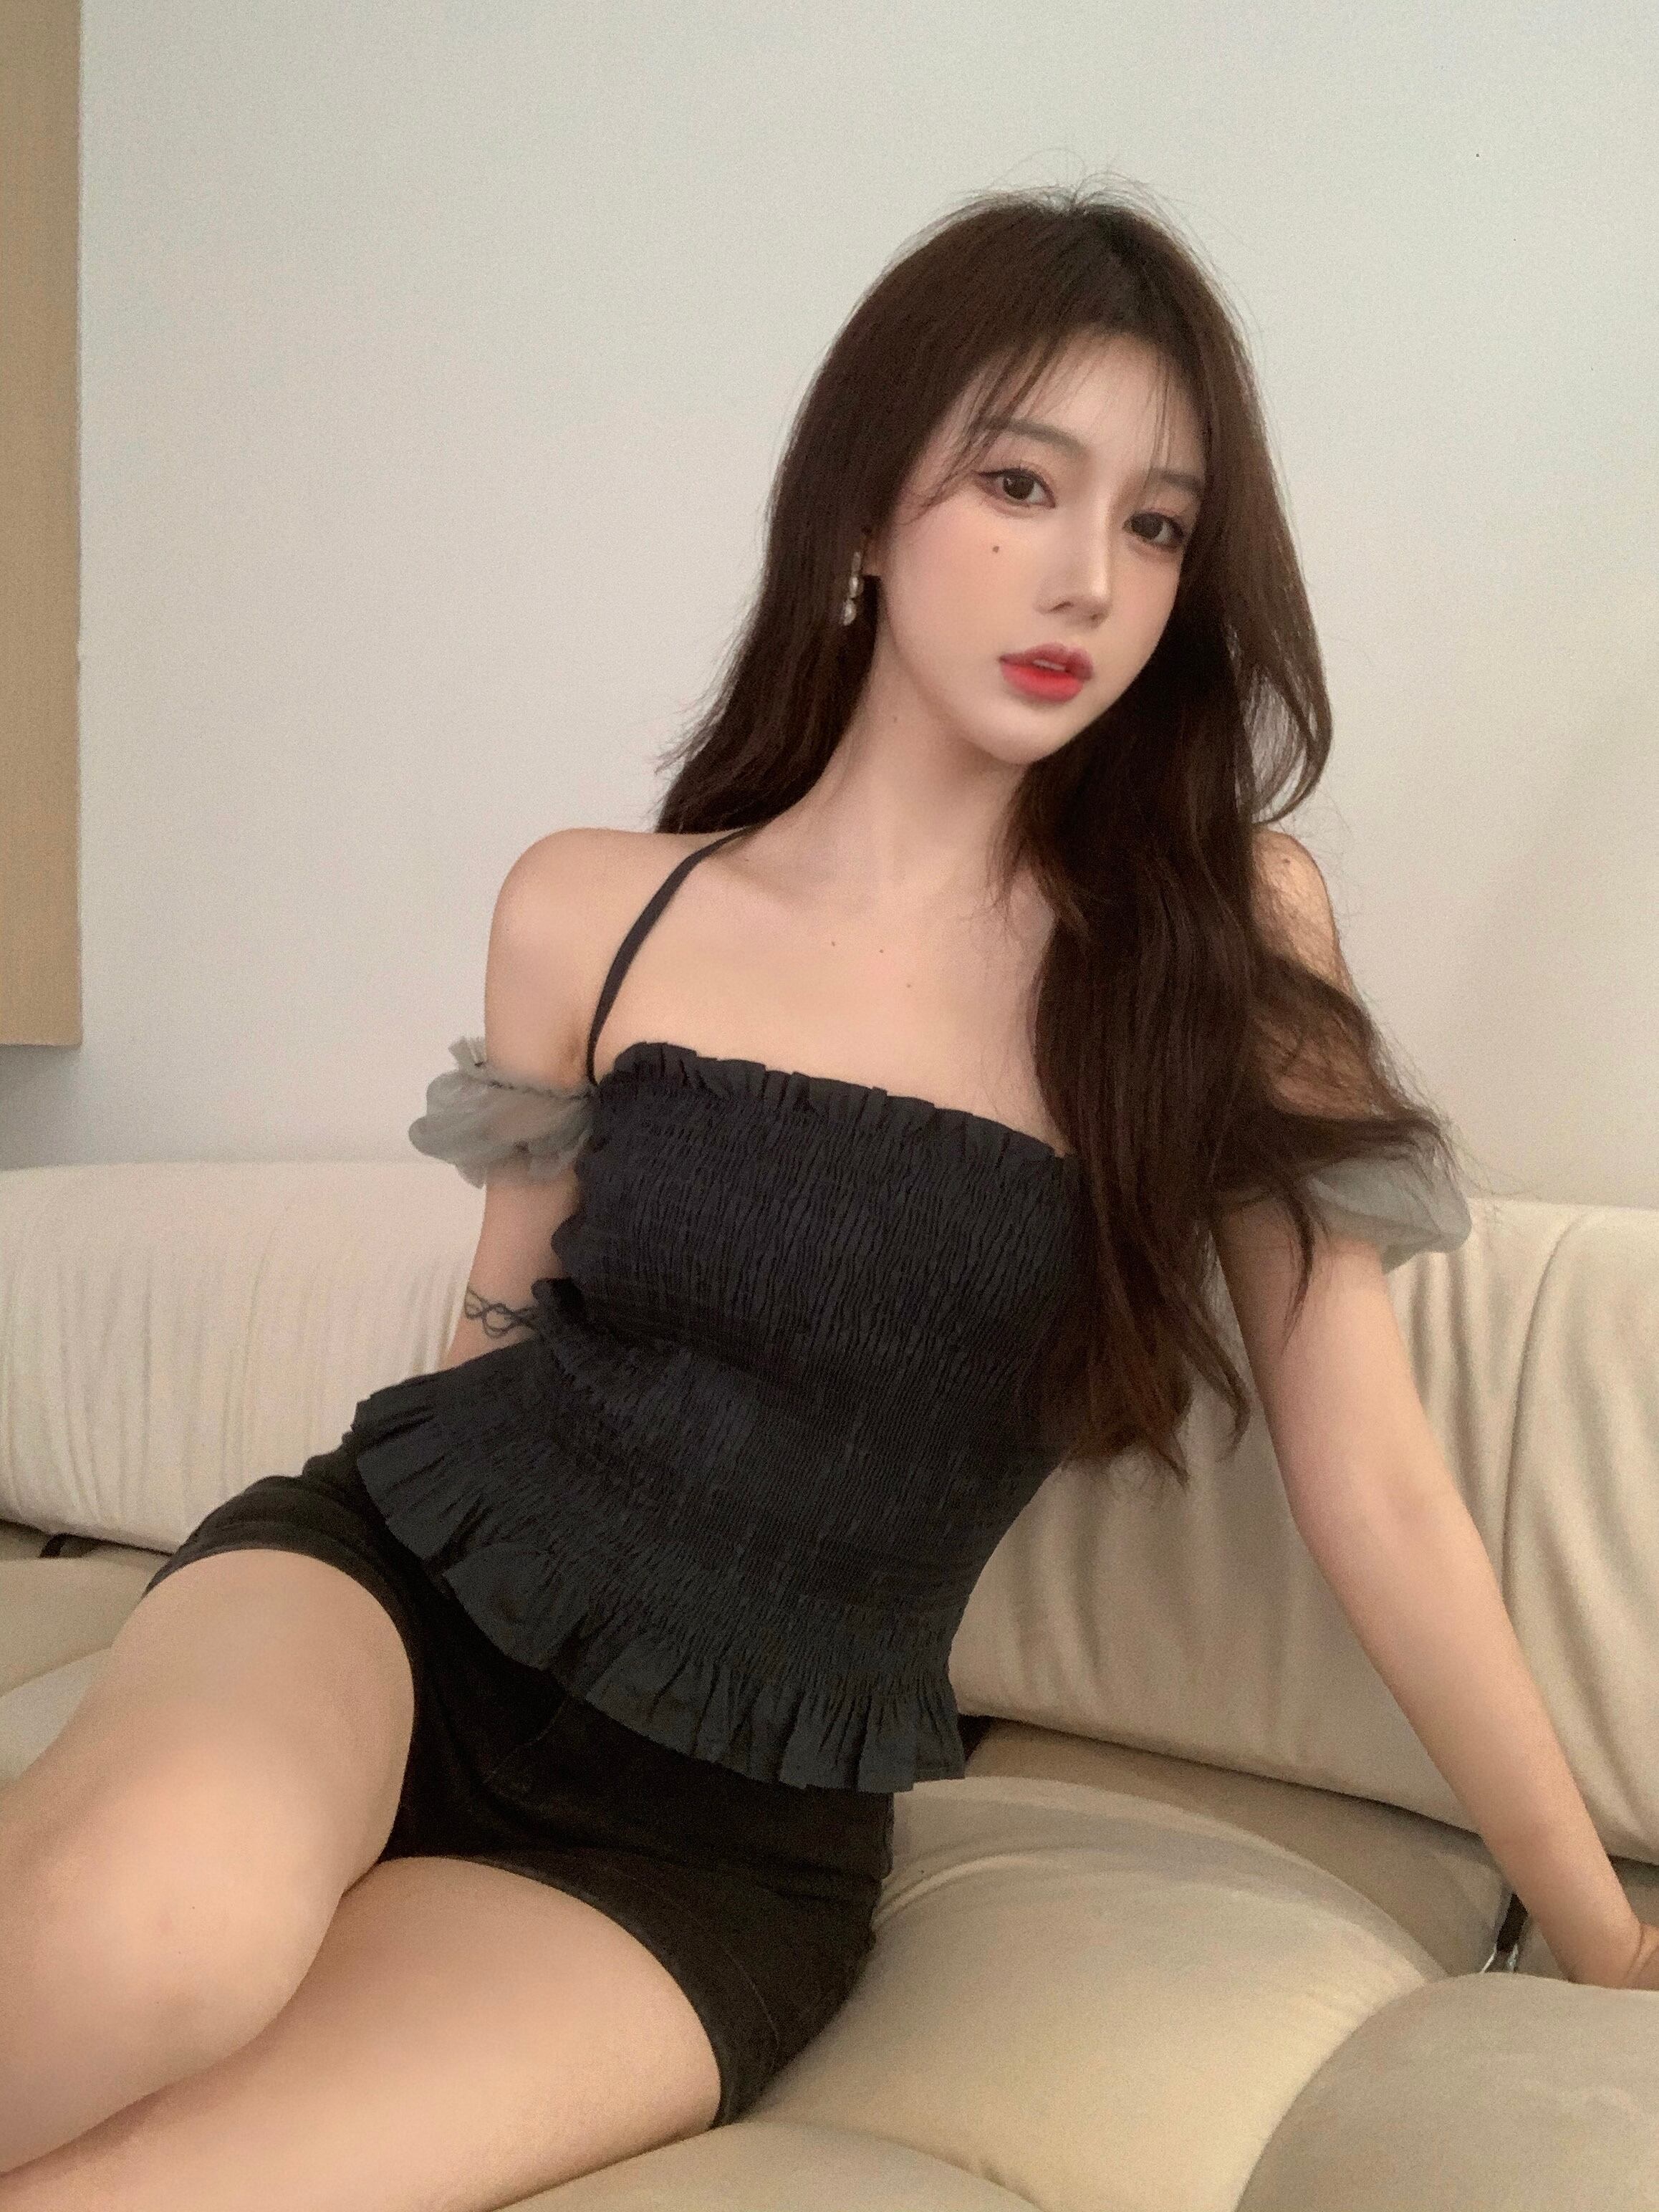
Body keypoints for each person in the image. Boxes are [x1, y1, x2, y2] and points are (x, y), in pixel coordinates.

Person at [1, 176, 1650, 2211]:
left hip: (716, 1837)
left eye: (1155, 525)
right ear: (863, 512)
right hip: (389, 1603)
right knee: (157, 1934)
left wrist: (1605, 1939)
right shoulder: (593, 907)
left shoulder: (1221, 948)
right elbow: (499, 1328)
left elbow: (1375, 1485)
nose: (1088, 579)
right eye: (1019, 485)